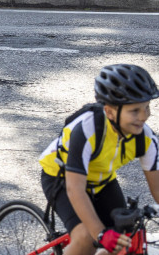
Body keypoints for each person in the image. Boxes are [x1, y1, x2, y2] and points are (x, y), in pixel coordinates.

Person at [38, 64, 159, 255]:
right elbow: (75, 189)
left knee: (124, 239)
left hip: (101, 180)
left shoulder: (145, 139)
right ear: (110, 112)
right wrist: (101, 234)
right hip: (61, 178)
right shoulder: (87, 130)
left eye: (146, 107)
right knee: (87, 238)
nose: (144, 116)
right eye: (135, 111)